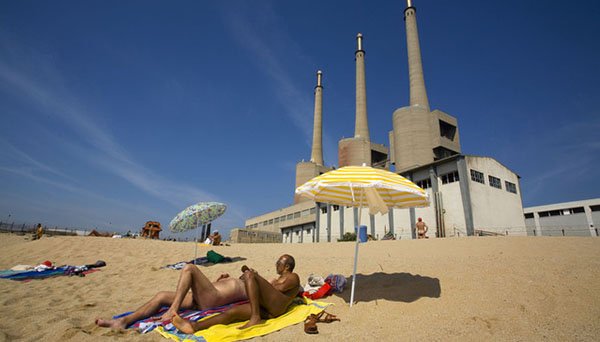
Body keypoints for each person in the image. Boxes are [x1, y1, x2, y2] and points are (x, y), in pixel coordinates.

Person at [172, 254, 300, 333]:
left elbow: (280, 289)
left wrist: (257, 279)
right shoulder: (278, 279)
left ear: (287, 266)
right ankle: (194, 326)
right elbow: (271, 289)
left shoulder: (294, 277)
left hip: (276, 306)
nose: (276, 264)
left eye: (279, 263)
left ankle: (255, 317)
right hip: (269, 310)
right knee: (232, 312)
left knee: (250, 274)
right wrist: (257, 281)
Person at [95, 264, 248, 330]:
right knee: (162, 295)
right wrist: (217, 279)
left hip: (213, 300)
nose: (247, 272)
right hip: (202, 297)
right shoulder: (236, 279)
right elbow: (212, 288)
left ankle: (172, 310)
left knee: (189, 268)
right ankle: (123, 321)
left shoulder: (250, 284)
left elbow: (271, 286)